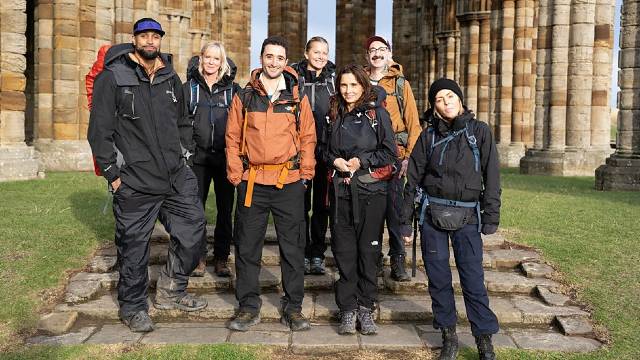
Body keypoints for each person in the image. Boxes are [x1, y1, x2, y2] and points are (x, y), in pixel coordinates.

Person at [87, 18, 208, 333]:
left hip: (174, 176)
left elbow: (182, 120)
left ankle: (171, 290)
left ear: (160, 41)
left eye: (156, 36)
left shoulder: (170, 77)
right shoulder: (113, 77)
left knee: (194, 229)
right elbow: (99, 131)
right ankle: (133, 307)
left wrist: (186, 154)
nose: (150, 41)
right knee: (134, 247)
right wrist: (114, 174)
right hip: (135, 180)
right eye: (145, 36)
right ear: (134, 39)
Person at [401, 78, 500, 360]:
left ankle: (484, 339)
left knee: (473, 278)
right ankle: (449, 335)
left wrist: (491, 215)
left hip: (468, 217)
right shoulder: (428, 135)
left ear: (460, 99)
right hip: (432, 216)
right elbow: (413, 178)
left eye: (450, 97)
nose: (446, 103)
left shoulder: (479, 132)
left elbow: (492, 176)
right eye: (439, 100)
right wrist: (405, 221)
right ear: (433, 106)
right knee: (439, 278)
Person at [225, 36, 316, 332]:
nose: (274, 62)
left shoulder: (296, 96)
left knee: (292, 248)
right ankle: (248, 306)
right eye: (269, 56)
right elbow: (232, 137)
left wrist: (305, 174)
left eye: (279, 57)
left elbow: (308, 137)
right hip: (252, 182)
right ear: (261, 58)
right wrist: (236, 175)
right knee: (248, 248)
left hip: (287, 181)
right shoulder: (245, 95)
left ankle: (294, 307)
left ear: (286, 61)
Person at [324, 64, 397, 335]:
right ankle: (347, 309)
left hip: (371, 192)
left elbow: (390, 153)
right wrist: (335, 160)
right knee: (344, 253)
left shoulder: (377, 114)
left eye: (353, 85)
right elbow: (322, 149)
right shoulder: (333, 114)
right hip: (341, 192)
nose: (348, 90)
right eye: (343, 85)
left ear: (363, 85)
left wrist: (361, 160)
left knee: (368, 252)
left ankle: (366, 308)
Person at [364, 35, 422, 282]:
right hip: (367, 156)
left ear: (388, 53)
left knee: (395, 209)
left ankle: (398, 258)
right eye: (372, 50)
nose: (376, 53)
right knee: (371, 210)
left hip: (396, 156)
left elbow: (414, 122)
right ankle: (374, 258)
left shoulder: (400, 84)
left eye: (381, 49)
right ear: (367, 56)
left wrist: (409, 157)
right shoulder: (360, 82)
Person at [182, 41, 240, 278]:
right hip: (197, 159)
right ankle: (198, 258)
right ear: (200, 59)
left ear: (222, 62)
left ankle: (221, 257)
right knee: (196, 210)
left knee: (225, 211)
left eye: (216, 58)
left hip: (225, 158)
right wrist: (188, 150)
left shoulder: (233, 90)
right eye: (208, 57)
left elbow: (240, 123)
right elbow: (182, 122)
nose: (211, 62)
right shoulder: (189, 88)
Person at [290, 36, 336, 276]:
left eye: (324, 52)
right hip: (299, 153)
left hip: (325, 152)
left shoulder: (334, 80)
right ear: (307, 53)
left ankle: (317, 253)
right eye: (316, 52)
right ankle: (302, 250)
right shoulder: (293, 79)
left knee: (322, 206)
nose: (320, 56)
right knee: (299, 205)